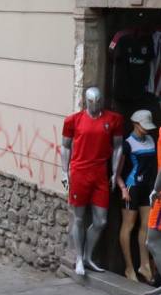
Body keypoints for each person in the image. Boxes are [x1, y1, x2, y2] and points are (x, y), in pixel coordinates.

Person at [61, 87, 124, 276]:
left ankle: (88, 256)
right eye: (91, 101)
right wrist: (65, 172)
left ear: (102, 100)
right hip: (79, 172)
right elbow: (65, 147)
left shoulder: (113, 119)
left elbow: (118, 147)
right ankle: (79, 258)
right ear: (86, 101)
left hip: (100, 173)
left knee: (101, 220)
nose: (95, 104)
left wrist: (115, 172)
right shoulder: (73, 120)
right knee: (79, 217)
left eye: (98, 101)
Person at [115, 110, 157, 282]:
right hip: (132, 187)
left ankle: (144, 264)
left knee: (146, 226)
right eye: (143, 126)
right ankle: (129, 267)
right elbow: (117, 170)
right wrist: (122, 188)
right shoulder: (127, 144)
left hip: (147, 187)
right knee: (129, 226)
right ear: (135, 124)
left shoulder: (151, 140)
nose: (146, 129)